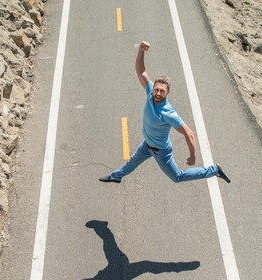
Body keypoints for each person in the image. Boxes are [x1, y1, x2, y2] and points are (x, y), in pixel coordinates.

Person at [99, 41, 231, 184]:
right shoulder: (150, 92)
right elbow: (141, 71)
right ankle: (116, 176)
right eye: (157, 89)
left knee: (177, 177)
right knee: (132, 162)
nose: (158, 93)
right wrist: (141, 51)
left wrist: (192, 156)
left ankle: (214, 171)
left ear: (168, 92)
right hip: (147, 145)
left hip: (160, 151)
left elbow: (189, 133)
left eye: (162, 91)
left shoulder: (168, 113)